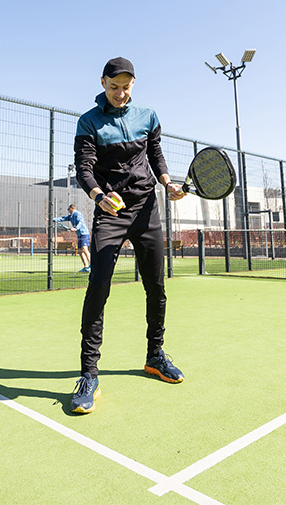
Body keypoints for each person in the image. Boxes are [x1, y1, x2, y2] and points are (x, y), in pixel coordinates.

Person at [70, 56, 187, 414]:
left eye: (126, 87)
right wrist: (99, 197)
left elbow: (155, 154)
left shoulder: (148, 116)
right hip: (111, 211)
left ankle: (155, 356)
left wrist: (167, 183)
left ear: (133, 84)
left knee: (156, 285)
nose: (120, 93)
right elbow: (84, 168)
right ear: (103, 83)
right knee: (99, 286)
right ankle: (89, 374)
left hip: (147, 208)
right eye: (114, 86)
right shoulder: (88, 122)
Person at [53, 204, 91, 272]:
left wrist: (76, 228)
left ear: (71, 208)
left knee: (84, 249)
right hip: (79, 235)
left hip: (84, 233)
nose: (68, 211)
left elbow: (81, 222)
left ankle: (92, 265)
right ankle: (86, 267)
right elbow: (62, 218)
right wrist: (52, 219)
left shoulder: (77, 214)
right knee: (80, 251)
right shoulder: (71, 216)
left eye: (68, 209)